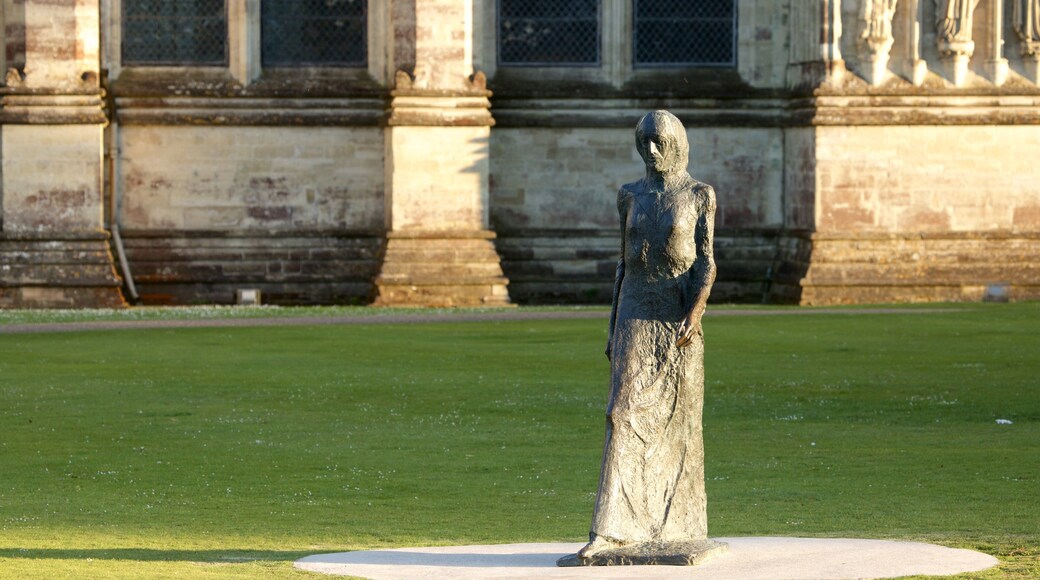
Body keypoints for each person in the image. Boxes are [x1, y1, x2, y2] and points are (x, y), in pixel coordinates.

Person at [565, 110, 718, 564]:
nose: (651, 151)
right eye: (644, 142)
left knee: (679, 422)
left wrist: (696, 312)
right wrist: (612, 326)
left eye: (659, 142)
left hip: (676, 317)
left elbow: (706, 262)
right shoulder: (629, 195)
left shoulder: (699, 195)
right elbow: (623, 264)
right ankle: (610, 531)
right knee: (621, 413)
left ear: (676, 144)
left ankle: (676, 527)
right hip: (635, 310)